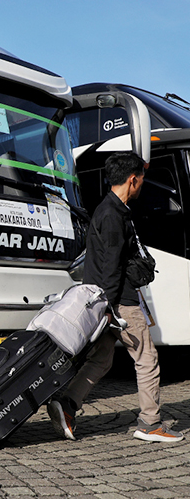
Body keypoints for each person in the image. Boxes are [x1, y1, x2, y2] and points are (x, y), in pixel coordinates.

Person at [48, 152, 183, 443]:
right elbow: (110, 266)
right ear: (132, 179)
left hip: (108, 300)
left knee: (102, 360)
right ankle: (150, 423)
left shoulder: (110, 209)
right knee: (147, 359)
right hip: (120, 301)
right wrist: (111, 309)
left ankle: (68, 405)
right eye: (142, 179)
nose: (142, 184)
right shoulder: (112, 215)